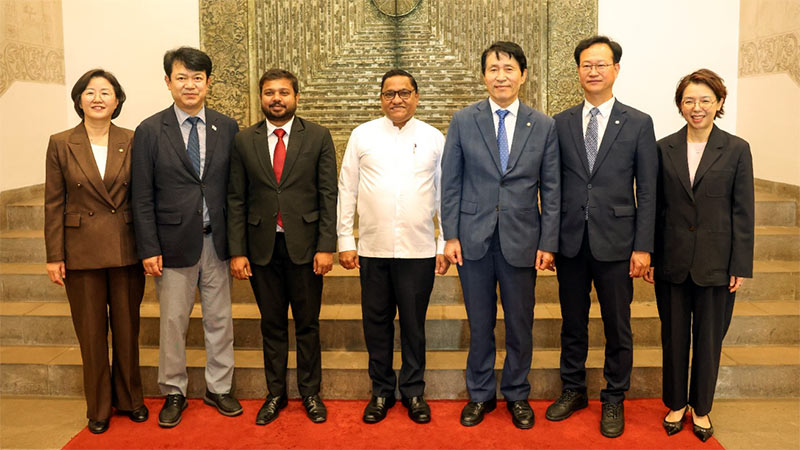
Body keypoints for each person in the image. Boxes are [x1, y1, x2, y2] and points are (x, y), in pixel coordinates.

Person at [441, 41, 560, 429]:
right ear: (484, 76)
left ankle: (517, 393)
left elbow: (552, 189)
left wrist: (548, 242)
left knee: (520, 323)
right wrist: (450, 235)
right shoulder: (463, 120)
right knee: (479, 322)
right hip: (473, 238)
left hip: (523, 238)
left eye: (509, 68)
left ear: (523, 75)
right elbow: (451, 183)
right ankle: (479, 395)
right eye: (493, 69)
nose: (501, 76)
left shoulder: (543, 125)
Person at [544, 35, 657, 438]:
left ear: (616, 70)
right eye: (586, 65)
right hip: (571, 240)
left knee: (617, 324)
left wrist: (644, 246)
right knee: (572, 322)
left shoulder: (639, 122)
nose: (593, 71)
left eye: (601, 64)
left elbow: (647, 189)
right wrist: (550, 239)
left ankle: (614, 397)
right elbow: (551, 186)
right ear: (578, 71)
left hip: (618, 241)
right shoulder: (559, 122)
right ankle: (573, 389)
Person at [131, 47, 242, 428]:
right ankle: (174, 390)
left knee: (220, 320)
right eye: (182, 77)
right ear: (168, 82)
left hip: (217, 242)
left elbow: (234, 191)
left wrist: (238, 245)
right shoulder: (149, 130)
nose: (190, 85)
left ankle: (219, 387)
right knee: (173, 322)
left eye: (197, 78)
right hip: (172, 244)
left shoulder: (227, 127)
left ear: (209, 82)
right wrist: (148, 247)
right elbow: (141, 195)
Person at [644, 69, 754, 442]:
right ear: (680, 104)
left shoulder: (737, 149)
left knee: (709, 340)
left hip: (716, 263)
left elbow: (743, 211)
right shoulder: (663, 148)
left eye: (706, 100)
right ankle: (676, 403)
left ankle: (702, 408)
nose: (697, 107)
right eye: (690, 100)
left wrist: (740, 264)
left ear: (719, 103)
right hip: (672, 261)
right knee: (673, 337)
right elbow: (656, 207)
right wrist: (652, 256)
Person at [337, 69, 450, 424]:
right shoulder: (362, 136)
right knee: (377, 324)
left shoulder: (434, 138)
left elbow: (446, 194)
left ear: (416, 96)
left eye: (404, 93)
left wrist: (443, 243)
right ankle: (381, 391)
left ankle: (414, 391)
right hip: (372, 249)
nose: (397, 99)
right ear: (381, 98)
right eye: (389, 94)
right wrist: (344, 239)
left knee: (414, 325)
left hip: (418, 251)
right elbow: (347, 190)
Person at [227, 68, 337, 425]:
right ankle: (275, 393)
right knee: (271, 324)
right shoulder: (244, 140)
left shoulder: (318, 136)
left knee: (308, 324)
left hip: (306, 248)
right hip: (261, 248)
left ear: (296, 97)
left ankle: (310, 393)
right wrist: (237, 250)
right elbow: (236, 199)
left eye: (284, 92)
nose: (277, 99)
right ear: (260, 98)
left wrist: (326, 246)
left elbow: (327, 195)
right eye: (269, 93)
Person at [44, 69, 147, 434]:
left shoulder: (134, 139)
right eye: (90, 92)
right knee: (90, 334)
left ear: (117, 101)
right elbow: (54, 202)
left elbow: (143, 197)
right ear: (79, 100)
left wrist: (150, 246)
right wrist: (54, 255)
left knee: (126, 328)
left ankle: (131, 399)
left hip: (125, 246)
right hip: (80, 251)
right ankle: (99, 407)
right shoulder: (60, 142)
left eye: (106, 92)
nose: (98, 98)